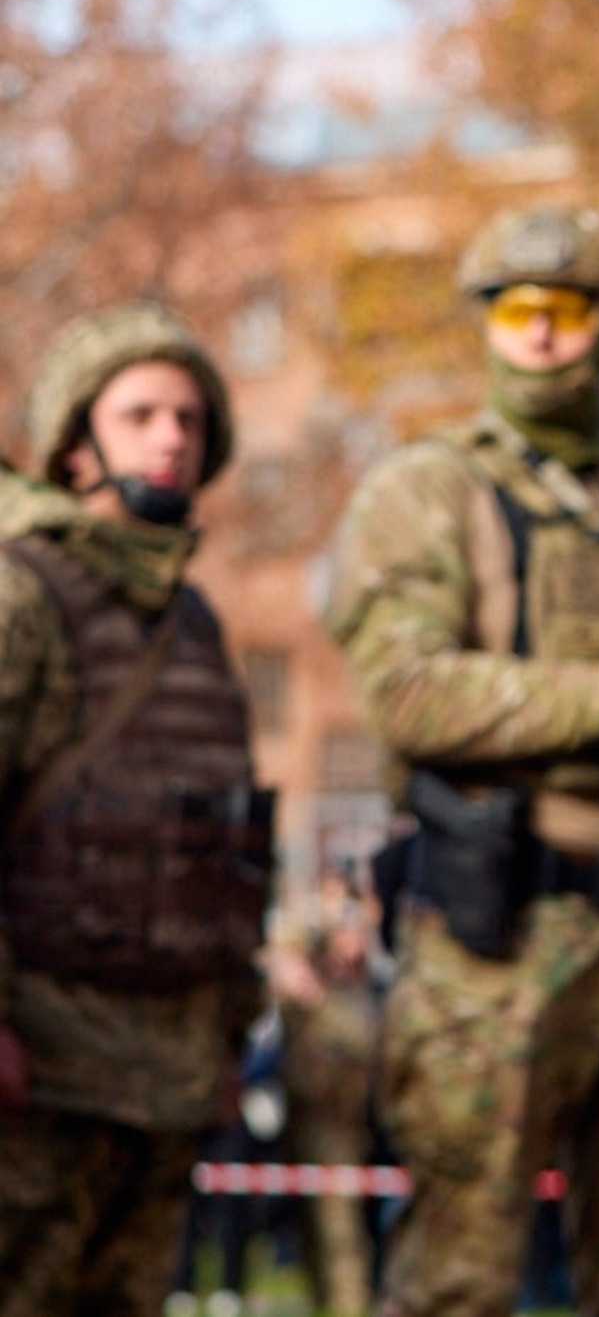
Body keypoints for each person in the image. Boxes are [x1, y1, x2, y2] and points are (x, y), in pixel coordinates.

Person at [324, 206, 599, 1317]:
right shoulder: (430, 491)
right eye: (514, 311)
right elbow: (407, 689)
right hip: (498, 939)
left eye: (566, 311)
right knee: (458, 1278)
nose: (539, 336)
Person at [0, 303, 272, 1317]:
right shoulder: (22, 593)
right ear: (74, 443)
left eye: (192, 419)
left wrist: (230, 1027)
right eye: (141, 413)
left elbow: (224, 838)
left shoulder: (191, 618)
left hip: (166, 1073)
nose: (173, 437)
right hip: (41, 1078)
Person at [277, 904, 384, 1317]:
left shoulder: (353, 1002)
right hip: (300, 1122)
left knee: (340, 1237)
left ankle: (350, 1307)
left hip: (338, 1131)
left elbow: (362, 1046)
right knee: (309, 1235)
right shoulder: (300, 1000)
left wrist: (319, 999)